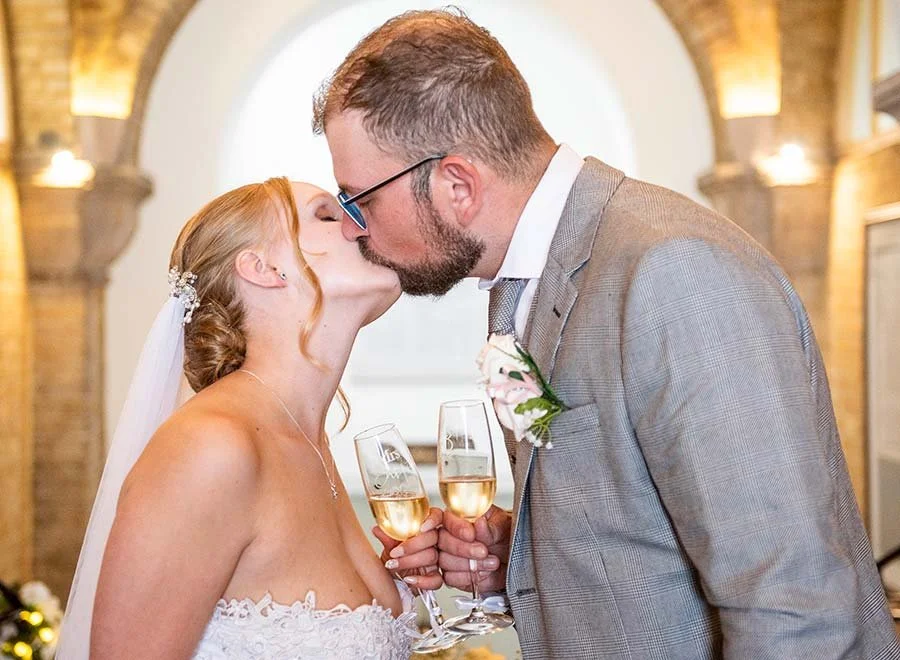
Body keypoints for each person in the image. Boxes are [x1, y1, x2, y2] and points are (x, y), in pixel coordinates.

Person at [315, 9, 900, 659]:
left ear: (457, 184)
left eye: (359, 199)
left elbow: (794, 608)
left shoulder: (676, 272)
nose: (354, 227)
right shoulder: (523, 283)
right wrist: (519, 555)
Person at [57, 178, 440, 659]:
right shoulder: (210, 448)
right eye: (326, 215)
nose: (360, 222)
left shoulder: (309, 443)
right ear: (262, 268)